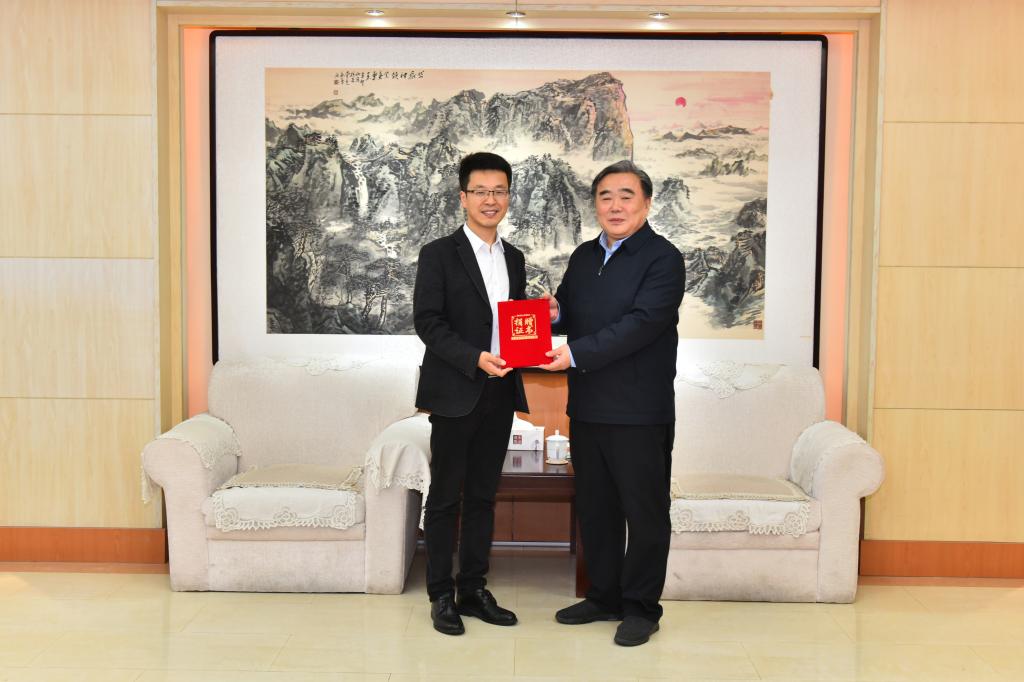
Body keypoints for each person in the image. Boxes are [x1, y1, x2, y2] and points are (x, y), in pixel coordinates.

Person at [539, 160, 685, 647]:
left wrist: (575, 353)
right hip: (587, 405)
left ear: (646, 203)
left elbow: (642, 324)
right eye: (605, 196)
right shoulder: (584, 256)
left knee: (644, 514)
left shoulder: (663, 259)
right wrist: (555, 313)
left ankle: (641, 607)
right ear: (595, 204)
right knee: (596, 509)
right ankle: (603, 596)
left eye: (626, 196)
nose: (615, 205)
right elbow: (571, 313)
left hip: (639, 410)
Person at [413, 152, 529, 636]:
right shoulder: (438, 254)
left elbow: (515, 324)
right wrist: (474, 357)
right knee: (445, 498)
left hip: (500, 392)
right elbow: (428, 322)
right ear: (463, 197)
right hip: (455, 391)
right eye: (480, 191)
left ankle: (473, 589)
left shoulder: (515, 258)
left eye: (498, 191)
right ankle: (441, 594)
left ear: (508, 197)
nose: (490, 199)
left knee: (483, 496)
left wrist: (534, 334)